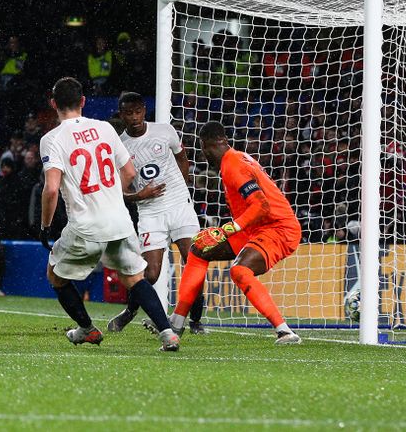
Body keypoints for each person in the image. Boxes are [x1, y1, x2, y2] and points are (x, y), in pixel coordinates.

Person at [38, 77, 180, 351]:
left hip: (85, 225)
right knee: (134, 279)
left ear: (53, 103)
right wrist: (112, 195)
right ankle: (167, 332)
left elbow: (52, 189)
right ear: (83, 101)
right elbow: (129, 172)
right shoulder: (105, 128)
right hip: (120, 221)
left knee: (55, 275)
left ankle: (87, 329)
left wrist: (45, 226)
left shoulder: (52, 139)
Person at [171, 121, 302, 345]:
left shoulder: (233, 166)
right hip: (255, 226)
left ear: (204, 147)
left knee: (240, 270)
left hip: (278, 228)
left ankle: (284, 331)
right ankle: (176, 321)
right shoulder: (236, 157)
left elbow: (261, 206)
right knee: (200, 249)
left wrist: (227, 229)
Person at [107, 92, 206, 334]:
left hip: (180, 206)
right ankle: (130, 310)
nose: (134, 117)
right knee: (150, 274)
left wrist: (180, 188)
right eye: (128, 113)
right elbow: (118, 191)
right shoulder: (119, 147)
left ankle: (195, 321)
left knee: (194, 263)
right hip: (150, 212)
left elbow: (182, 158)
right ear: (122, 115)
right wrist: (139, 196)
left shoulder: (165, 131)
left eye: (138, 111)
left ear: (144, 110)